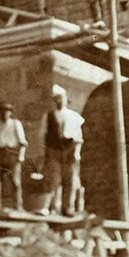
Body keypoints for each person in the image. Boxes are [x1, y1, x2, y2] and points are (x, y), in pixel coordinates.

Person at [42, 85, 85, 216]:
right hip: (54, 150)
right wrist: (46, 152)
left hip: (69, 149)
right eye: (57, 99)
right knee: (54, 179)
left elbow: (79, 137)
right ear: (54, 101)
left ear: (66, 99)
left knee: (70, 179)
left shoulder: (74, 116)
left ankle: (68, 208)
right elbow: (44, 135)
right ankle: (53, 207)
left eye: (62, 98)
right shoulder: (48, 116)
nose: (59, 101)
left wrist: (76, 152)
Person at [0, 102, 29, 212]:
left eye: (7, 111)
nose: (4, 114)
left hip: (12, 154)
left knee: (15, 181)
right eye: (2, 111)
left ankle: (18, 205)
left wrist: (21, 155)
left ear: (10, 113)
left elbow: (23, 142)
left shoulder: (15, 123)